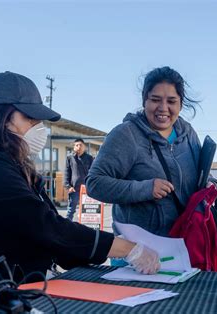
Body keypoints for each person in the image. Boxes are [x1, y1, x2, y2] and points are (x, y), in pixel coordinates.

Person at [0, 72, 160, 312]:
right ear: (0, 117)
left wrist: (84, 253)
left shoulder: (8, 164)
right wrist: (126, 248)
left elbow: (51, 236)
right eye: (30, 119)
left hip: (3, 296)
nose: (39, 128)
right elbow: (46, 227)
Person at [86, 66, 201, 237]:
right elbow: (94, 184)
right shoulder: (126, 134)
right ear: (144, 101)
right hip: (136, 251)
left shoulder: (187, 133)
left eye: (171, 101)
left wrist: (210, 183)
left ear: (181, 103)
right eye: (155, 100)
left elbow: (200, 173)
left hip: (183, 246)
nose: (163, 108)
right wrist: (145, 188)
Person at [65, 138, 94, 221]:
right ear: (74, 147)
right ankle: (67, 226)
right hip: (74, 189)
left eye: (81, 145)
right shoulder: (70, 158)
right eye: (77, 145)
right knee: (71, 210)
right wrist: (68, 186)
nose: (79, 147)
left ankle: (86, 229)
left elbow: (92, 173)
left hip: (86, 189)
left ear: (84, 147)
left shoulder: (89, 158)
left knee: (87, 210)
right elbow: (67, 172)